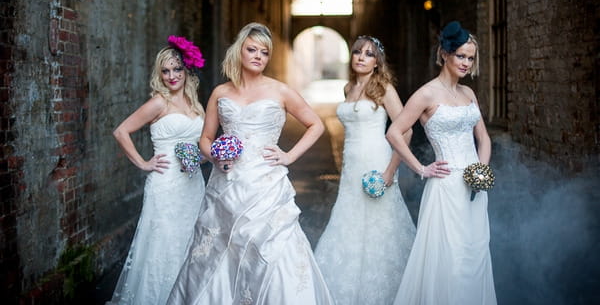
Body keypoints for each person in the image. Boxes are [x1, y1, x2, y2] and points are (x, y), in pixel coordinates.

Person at [167, 22, 334, 305]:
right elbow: (205, 139)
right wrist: (217, 156)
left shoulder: (280, 91)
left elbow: (315, 124)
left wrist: (289, 156)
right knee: (221, 249)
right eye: (252, 49)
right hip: (226, 185)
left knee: (269, 248)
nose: (258, 56)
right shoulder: (221, 93)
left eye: (265, 52)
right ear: (239, 52)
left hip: (266, 185)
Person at [387, 21, 497, 305]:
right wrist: (422, 168)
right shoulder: (426, 94)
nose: (466, 62)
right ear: (445, 53)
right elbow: (394, 133)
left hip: (474, 187)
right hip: (446, 186)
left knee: (475, 253)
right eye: (461, 55)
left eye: (470, 58)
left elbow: (484, 138)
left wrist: (480, 171)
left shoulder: (468, 94)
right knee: (452, 258)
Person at [313, 35, 417, 305]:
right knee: (348, 220)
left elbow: (405, 131)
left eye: (369, 54)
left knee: (379, 225)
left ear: (377, 62)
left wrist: (390, 172)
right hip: (351, 167)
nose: (361, 57)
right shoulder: (347, 88)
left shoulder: (383, 88)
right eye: (357, 52)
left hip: (377, 162)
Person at [107, 36, 206, 305]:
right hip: (165, 184)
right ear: (159, 74)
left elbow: (200, 147)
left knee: (190, 241)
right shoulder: (159, 103)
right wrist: (143, 163)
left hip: (193, 184)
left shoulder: (195, 105)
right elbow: (121, 131)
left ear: (187, 71)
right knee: (164, 244)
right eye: (165, 70)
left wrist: (206, 156)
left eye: (177, 69)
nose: (172, 76)